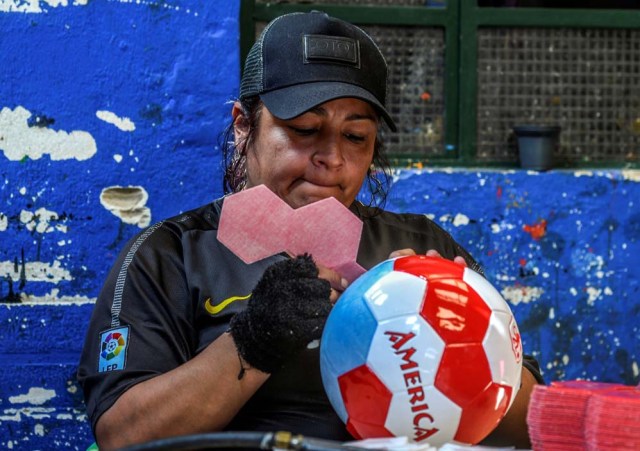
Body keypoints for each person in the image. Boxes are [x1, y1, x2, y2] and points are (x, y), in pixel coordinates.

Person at [77, 11, 544, 450]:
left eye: (356, 136)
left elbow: (531, 424)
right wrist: (252, 341)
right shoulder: (171, 255)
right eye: (303, 129)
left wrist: (459, 327)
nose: (332, 158)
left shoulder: (422, 251)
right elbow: (123, 433)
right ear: (244, 126)